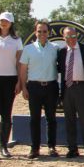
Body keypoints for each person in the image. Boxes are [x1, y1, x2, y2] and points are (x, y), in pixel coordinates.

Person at [19, 20, 60, 159]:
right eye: (39, 31)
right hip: (34, 87)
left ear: (48, 32)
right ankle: (35, 148)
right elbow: (23, 70)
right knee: (34, 119)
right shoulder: (28, 49)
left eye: (44, 31)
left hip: (51, 86)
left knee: (51, 119)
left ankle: (51, 147)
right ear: (35, 32)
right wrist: (24, 87)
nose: (42, 34)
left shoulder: (55, 48)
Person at [57, 26, 84, 158]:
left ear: (77, 36)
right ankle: (72, 148)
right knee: (69, 120)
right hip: (68, 88)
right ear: (64, 38)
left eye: (73, 36)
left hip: (83, 87)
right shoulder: (62, 52)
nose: (71, 39)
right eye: (67, 37)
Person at [0, 12, 24, 161]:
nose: (4, 23)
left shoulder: (16, 40)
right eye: (2, 21)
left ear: (11, 23)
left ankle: (3, 146)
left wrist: (19, 81)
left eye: (7, 21)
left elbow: (18, 62)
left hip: (10, 79)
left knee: (6, 113)